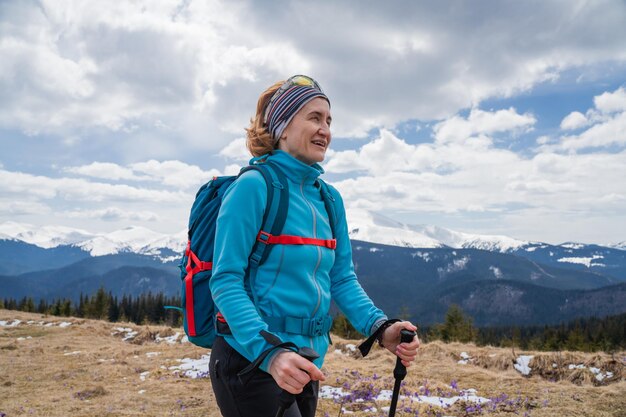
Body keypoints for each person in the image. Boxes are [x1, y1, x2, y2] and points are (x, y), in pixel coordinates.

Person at [208, 75, 420, 417]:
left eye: (329, 121)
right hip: (250, 361)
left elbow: (342, 279)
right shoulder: (253, 187)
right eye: (314, 118)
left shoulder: (329, 199)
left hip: (306, 362)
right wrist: (270, 354)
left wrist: (381, 328)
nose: (325, 130)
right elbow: (226, 280)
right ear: (282, 128)